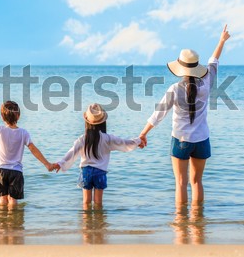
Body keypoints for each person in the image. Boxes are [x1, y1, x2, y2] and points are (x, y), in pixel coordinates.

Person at [139, 25, 230, 205]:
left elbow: (158, 114)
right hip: (202, 139)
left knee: (181, 183)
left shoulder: (174, 89)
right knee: (196, 182)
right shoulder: (207, 83)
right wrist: (222, 40)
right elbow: (214, 61)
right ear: (196, 67)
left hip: (180, 140)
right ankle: (198, 226)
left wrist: (143, 134)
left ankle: (181, 227)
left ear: (180, 67)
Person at [0, 101, 54, 207]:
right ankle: (14, 222)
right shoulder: (23, 133)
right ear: (18, 116)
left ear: (2, 117)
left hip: (0, 170)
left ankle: (2, 222)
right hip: (16, 171)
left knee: (3, 198)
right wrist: (47, 164)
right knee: (13, 199)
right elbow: (33, 149)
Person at [53, 103, 141, 208]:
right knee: (98, 203)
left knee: (86, 202)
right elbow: (124, 143)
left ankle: (86, 223)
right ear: (103, 122)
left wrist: (60, 164)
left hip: (86, 172)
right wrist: (138, 141)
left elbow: (72, 153)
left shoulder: (82, 139)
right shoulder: (107, 138)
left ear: (87, 121)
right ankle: (100, 223)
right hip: (100, 172)